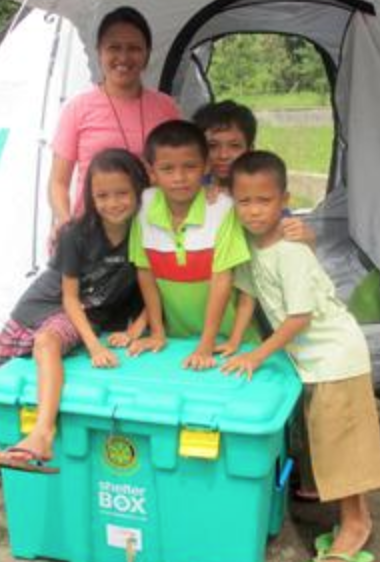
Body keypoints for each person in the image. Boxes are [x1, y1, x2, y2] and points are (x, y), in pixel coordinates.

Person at [0, 148, 149, 511]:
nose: (113, 203)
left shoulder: (146, 234)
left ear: (140, 190)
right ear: (90, 196)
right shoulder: (77, 233)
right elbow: (69, 297)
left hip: (81, 317)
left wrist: (136, 329)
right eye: (102, 195)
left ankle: (42, 433)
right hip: (40, 307)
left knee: (47, 341)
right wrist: (94, 347)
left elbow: (154, 291)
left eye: (122, 193)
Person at [222, 151, 380, 562]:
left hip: (336, 356)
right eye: (245, 201)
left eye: (264, 200)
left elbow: (299, 318)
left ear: (285, 200)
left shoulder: (291, 251)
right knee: (328, 443)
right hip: (313, 361)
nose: (254, 210)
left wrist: (257, 356)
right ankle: (349, 518)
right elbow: (247, 296)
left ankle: (356, 523)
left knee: (342, 447)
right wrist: (234, 342)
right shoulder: (251, 244)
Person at [128, 120, 258, 369]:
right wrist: (157, 332)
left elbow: (222, 279)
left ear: (206, 165)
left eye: (190, 166)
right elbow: (145, 273)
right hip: (175, 341)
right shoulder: (143, 206)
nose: (179, 178)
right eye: (167, 169)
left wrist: (206, 345)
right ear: (151, 171)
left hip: (229, 343)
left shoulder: (222, 208)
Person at [49, 6, 181, 231]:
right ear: (99, 52)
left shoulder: (167, 107)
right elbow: (58, 182)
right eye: (114, 48)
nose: (123, 57)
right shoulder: (77, 108)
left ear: (147, 54)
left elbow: (182, 166)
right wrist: (64, 221)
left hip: (153, 231)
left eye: (134, 48)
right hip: (92, 234)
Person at [193, 99, 316, 245]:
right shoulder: (190, 188)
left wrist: (307, 238)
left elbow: (288, 233)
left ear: (250, 149)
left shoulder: (263, 186)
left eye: (234, 146)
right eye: (212, 146)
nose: (223, 155)